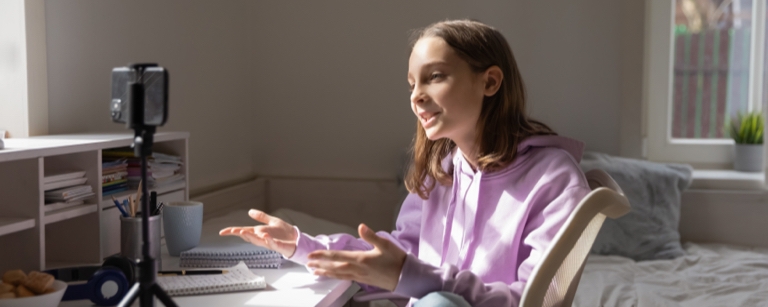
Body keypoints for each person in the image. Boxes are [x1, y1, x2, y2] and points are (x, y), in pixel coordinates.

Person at [220, 19, 591, 307]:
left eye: (435, 77)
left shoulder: (553, 177)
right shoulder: (441, 172)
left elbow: (534, 298)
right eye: (412, 84)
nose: (416, 96)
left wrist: (416, 280)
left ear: (490, 82)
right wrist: (303, 245)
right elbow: (398, 255)